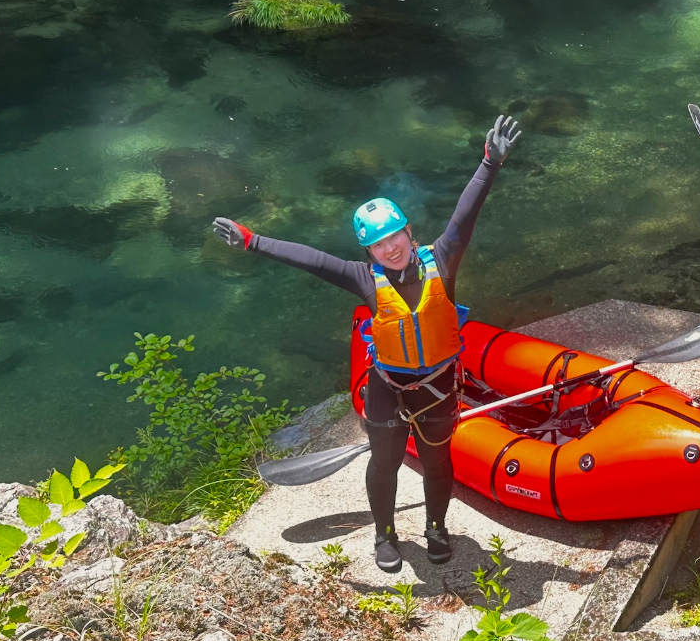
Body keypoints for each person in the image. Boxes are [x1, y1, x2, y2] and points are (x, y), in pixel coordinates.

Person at [211, 115, 522, 572]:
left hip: (437, 387)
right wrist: (252, 241)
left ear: (410, 233)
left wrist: (490, 163)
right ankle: (385, 534)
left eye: (394, 236)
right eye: (378, 244)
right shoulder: (364, 279)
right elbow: (312, 259)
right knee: (384, 462)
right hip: (386, 389)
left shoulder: (442, 260)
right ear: (369, 253)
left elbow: (464, 215)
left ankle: (436, 528)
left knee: (437, 462)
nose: (390, 248)